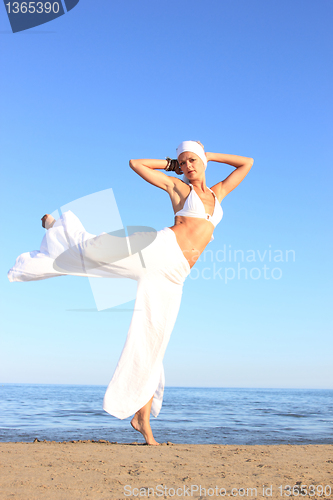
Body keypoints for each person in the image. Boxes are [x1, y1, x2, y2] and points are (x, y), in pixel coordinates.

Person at [8, 141, 253, 445]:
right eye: (183, 161)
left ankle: (142, 420)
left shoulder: (217, 194)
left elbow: (247, 163)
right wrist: (170, 164)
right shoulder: (179, 188)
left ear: (203, 161)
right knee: (100, 252)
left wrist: (209, 155)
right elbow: (136, 164)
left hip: (176, 275)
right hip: (159, 250)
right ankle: (58, 229)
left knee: (154, 344)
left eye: (192, 161)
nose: (188, 166)